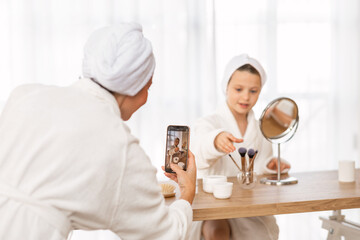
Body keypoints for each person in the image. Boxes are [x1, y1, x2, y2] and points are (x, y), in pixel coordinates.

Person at [0, 23, 196, 240]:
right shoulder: (121, 149)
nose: (146, 98)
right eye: (148, 87)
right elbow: (165, 235)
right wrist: (187, 194)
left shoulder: (25, 95)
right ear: (135, 87)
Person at [190, 54, 290, 240]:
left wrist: (271, 166)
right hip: (216, 203)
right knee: (216, 228)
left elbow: (259, 167)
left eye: (253, 91)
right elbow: (198, 151)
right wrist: (215, 140)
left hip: (248, 206)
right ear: (225, 87)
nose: (246, 96)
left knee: (258, 233)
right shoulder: (209, 122)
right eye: (238, 89)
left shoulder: (261, 128)